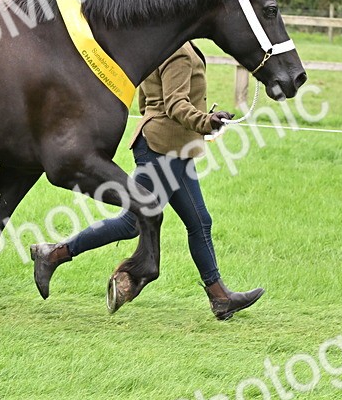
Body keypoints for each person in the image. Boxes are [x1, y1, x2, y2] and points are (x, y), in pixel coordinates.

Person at [30, 42, 264, 320]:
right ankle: (54, 254)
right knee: (132, 223)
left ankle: (220, 297)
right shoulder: (176, 50)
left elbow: (148, 101)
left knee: (200, 221)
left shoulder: (165, 44)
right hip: (163, 149)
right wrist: (206, 121)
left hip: (173, 147)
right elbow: (176, 105)